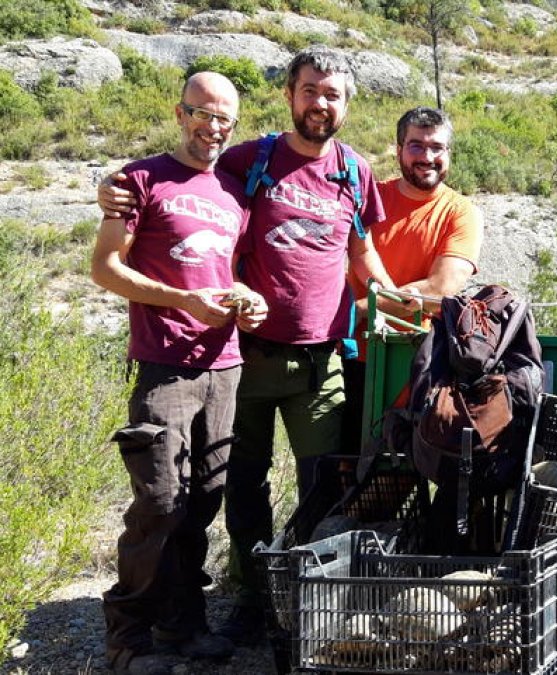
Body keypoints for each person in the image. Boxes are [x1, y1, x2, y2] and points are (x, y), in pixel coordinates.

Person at [99, 46, 398, 645]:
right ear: (289, 95)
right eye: (309, 90)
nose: (320, 103)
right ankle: (252, 595)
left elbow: (362, 252)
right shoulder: (249, 158)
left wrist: (400, 300)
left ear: (347, 104)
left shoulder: (354, 171)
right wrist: (110, 186)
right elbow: (183, 175)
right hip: (246, 355)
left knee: (322, 484)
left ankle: (308, 596)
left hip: (320, 360)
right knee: (240, 486)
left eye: (332, 94)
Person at [91, 72, 267, 675]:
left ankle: (184, 624)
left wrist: (247, 299)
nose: (213, 127)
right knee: (160, 502)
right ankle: (127, 638)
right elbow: (106, 269)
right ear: (180, 113)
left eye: (224, 119)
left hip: (225, 366)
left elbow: (225, 272)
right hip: (164, 364)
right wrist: (182, 301)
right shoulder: (139, 180)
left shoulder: (234, 192)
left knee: (202, 502)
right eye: (202, 113)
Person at [341, 106, 482, 455]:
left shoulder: (461, 213)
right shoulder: (369, 200)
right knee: (339, 464)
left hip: (417, 365)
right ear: (399, 149)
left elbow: (441, 288)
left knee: (404, 468)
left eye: (437, 147)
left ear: (449, 152)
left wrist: (362, 309)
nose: (427, 157)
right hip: (351, 359)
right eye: (416, 145)